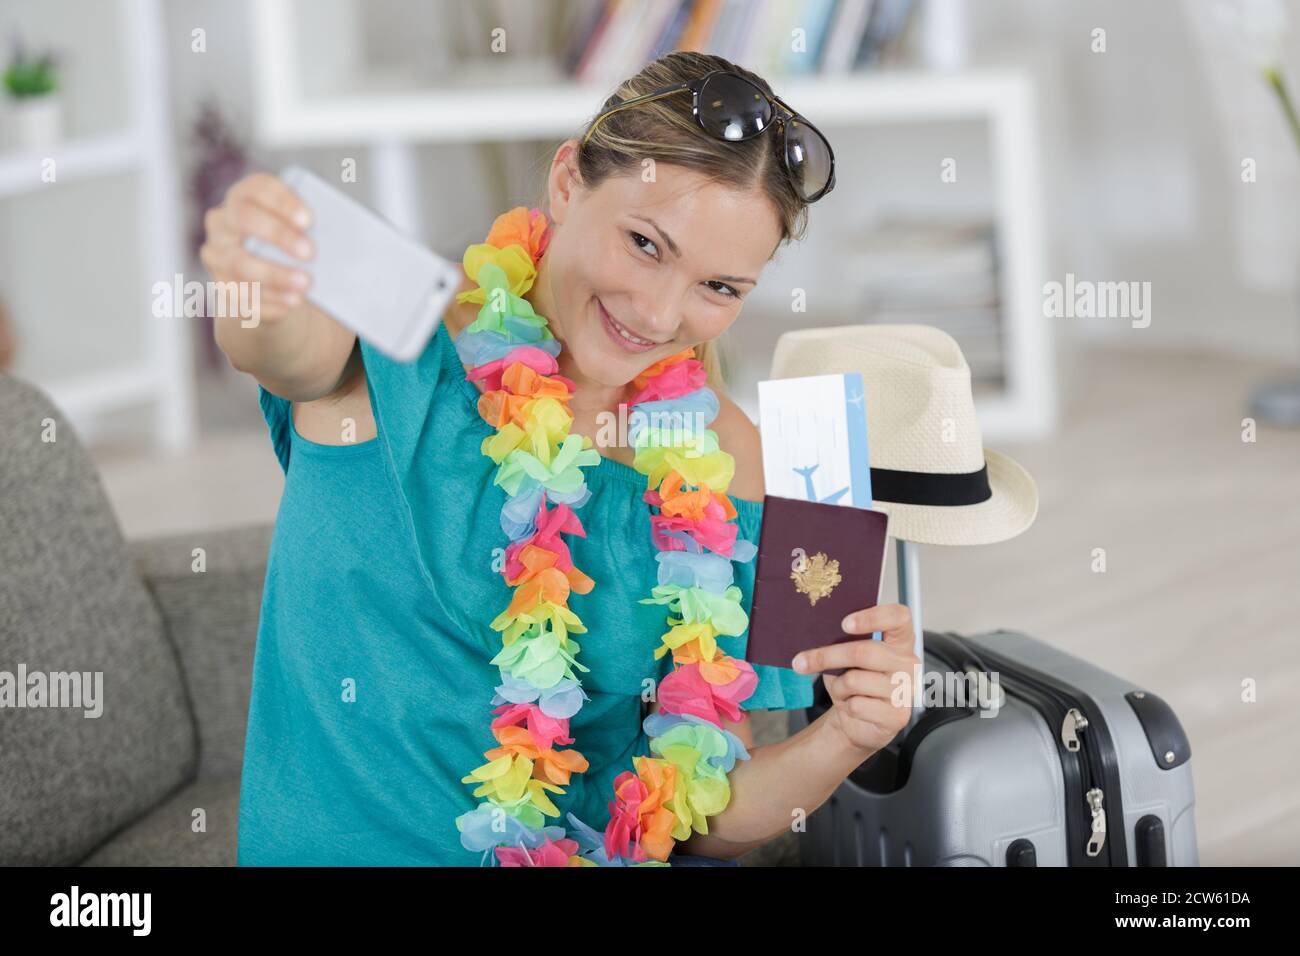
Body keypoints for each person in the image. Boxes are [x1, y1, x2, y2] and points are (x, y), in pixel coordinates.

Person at [202, 51, 918, 866]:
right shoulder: (405, 346)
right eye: (646, 243)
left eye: (719, 288)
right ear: (568, 182)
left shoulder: (741, 462)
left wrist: (849, 736)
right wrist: (254, 289)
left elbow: (708, 810)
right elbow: (288, 351)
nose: (658, 313)